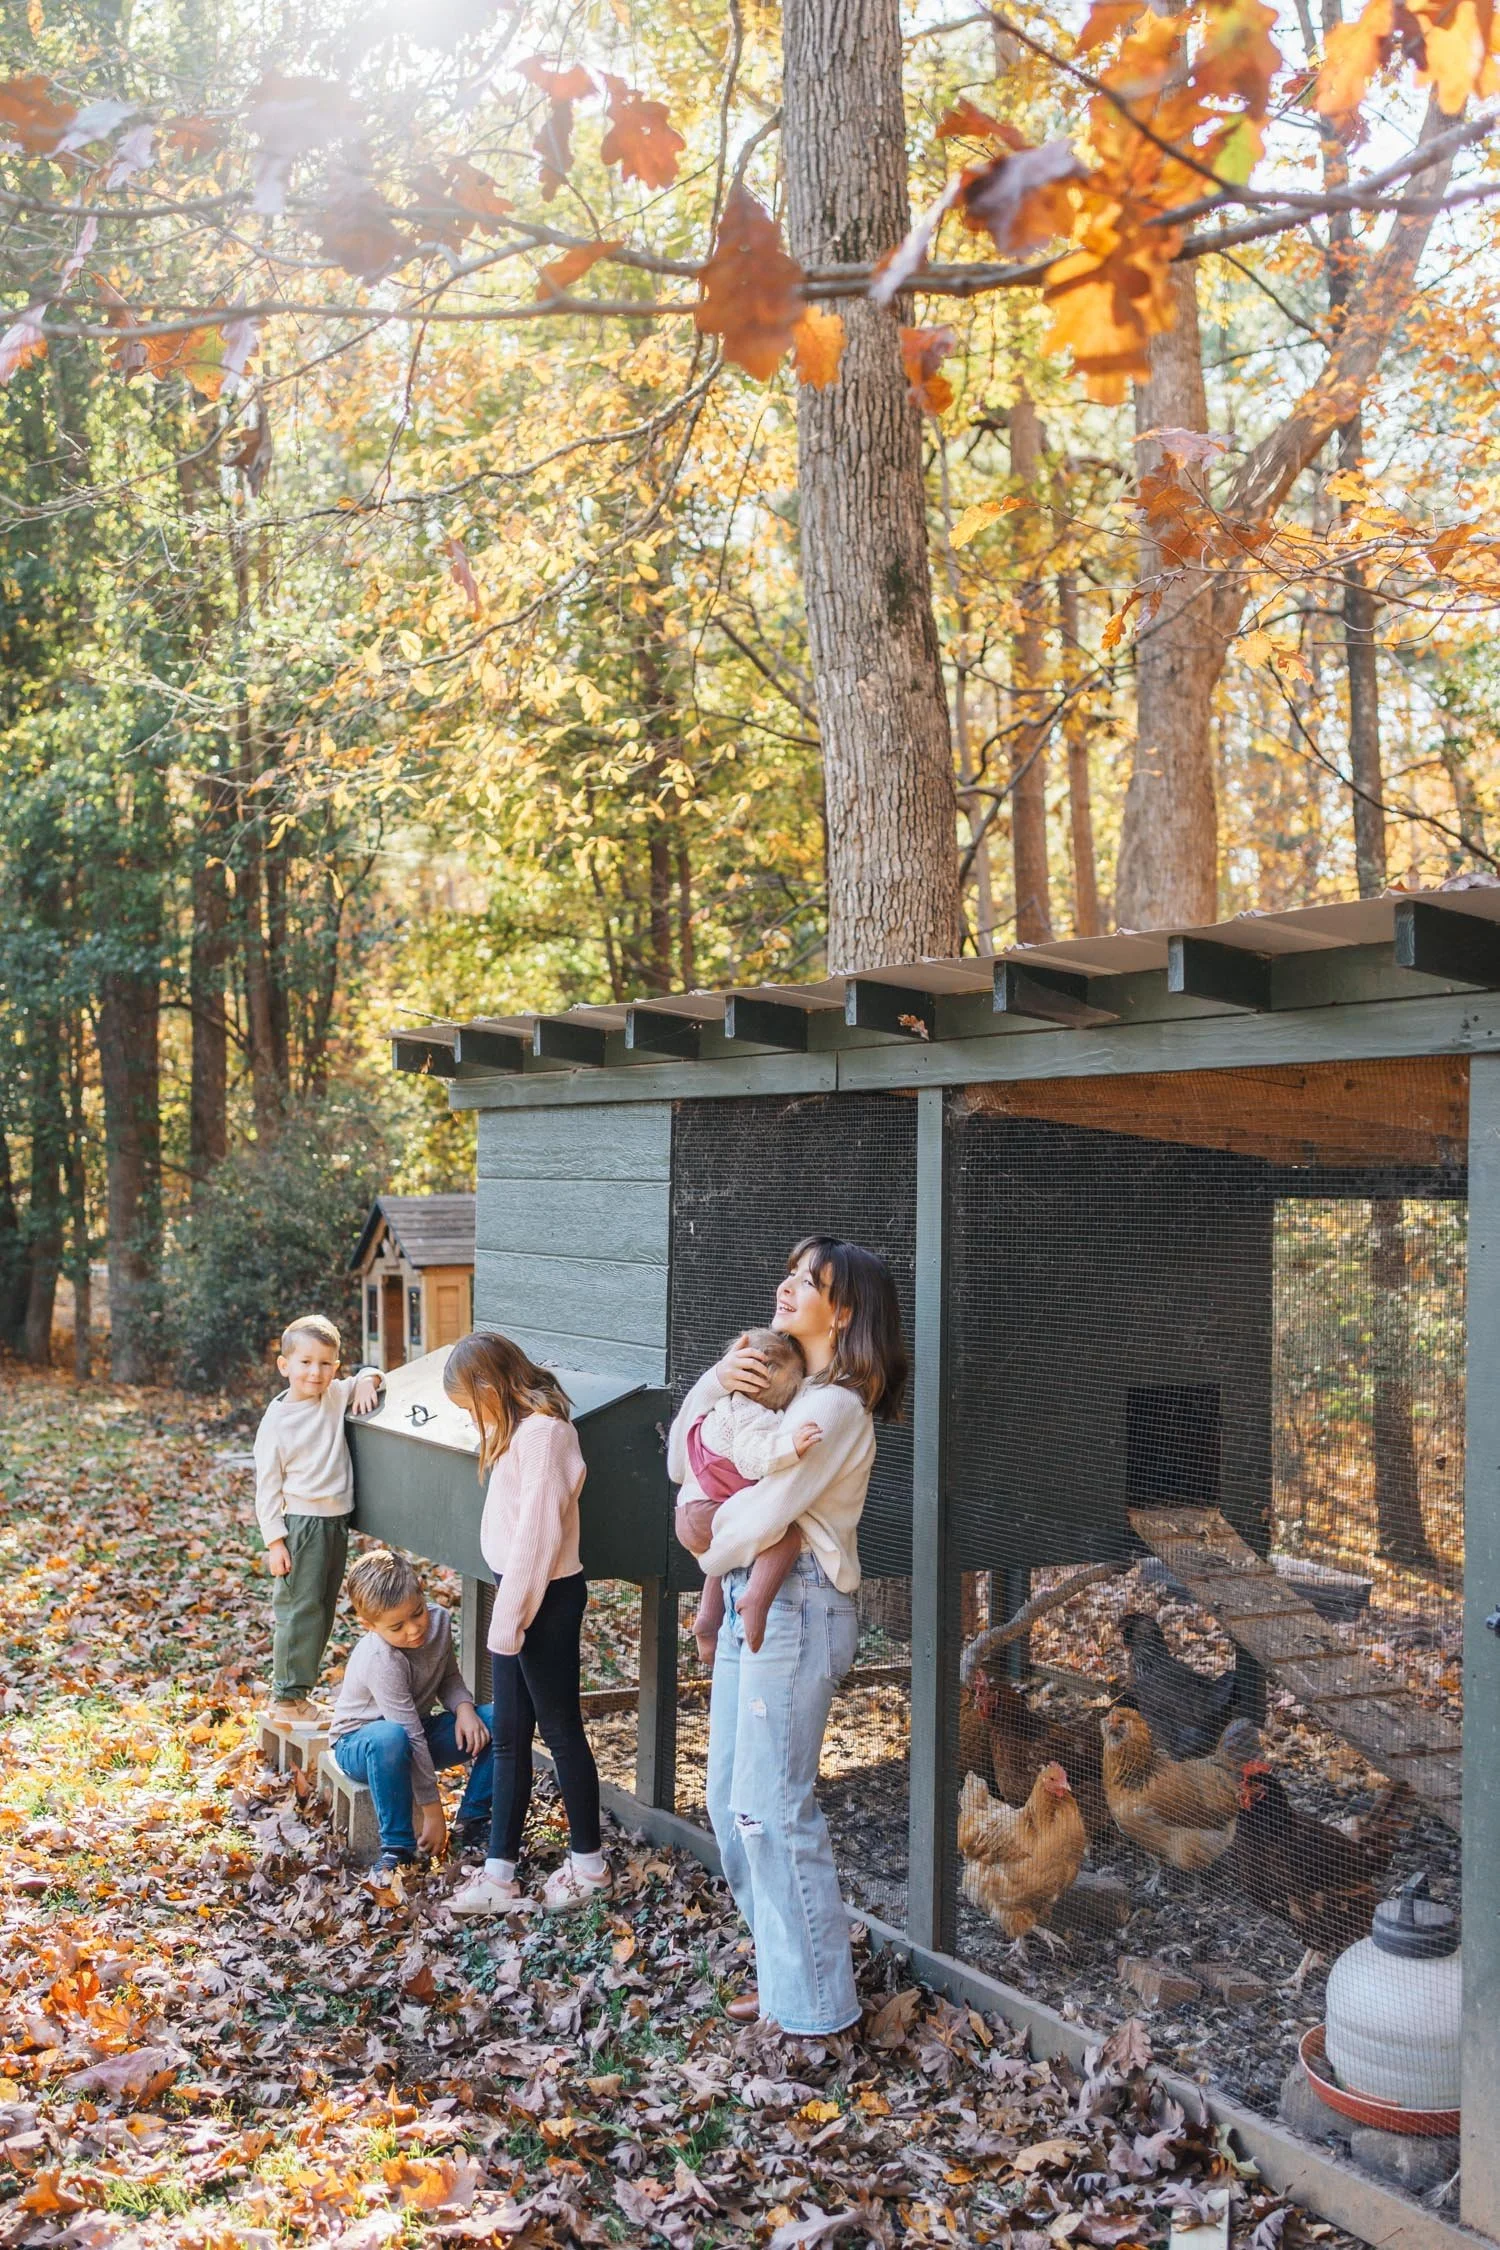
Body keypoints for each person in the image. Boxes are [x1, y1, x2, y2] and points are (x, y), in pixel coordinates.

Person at [671, 1236, 907, 2040]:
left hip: (799, 1610)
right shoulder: (781, 1383)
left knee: (775, 1809)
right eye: (791, 1273)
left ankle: (817, 2010)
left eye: (807, 1282)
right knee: (732, 1801)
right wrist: (718, 1374)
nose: (786, 1287)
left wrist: (700, 1538)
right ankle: (786, 1979)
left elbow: (761, 1515)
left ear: (841, 1313)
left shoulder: (831, 1407)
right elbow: (685, 1461)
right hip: (751, 1599)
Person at [440, 1331, 610, 1917]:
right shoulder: (519, 1431)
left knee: (560, 1732)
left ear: (491, 1385)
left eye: (470, 1404)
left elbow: (539, 1538)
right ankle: (499, 1875)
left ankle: (589, 1864)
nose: (472, 1418)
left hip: (544, 1599)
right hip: (518, 1597)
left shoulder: (545, 1434)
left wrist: (508, 1624)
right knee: (510, 1739)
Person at [328, 1550, 495, 1872]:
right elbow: (407, 1732)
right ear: (370, 1625)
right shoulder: (381, 1658)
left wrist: (464, 1709)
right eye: (396, 1627)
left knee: (502, 1719)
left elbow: (447, 1677)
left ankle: (473, 1824)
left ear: (421, 1588)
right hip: (361, 1745)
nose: (414, 1630)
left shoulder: (439, 1622)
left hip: (414, 1729)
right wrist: (433, 1812)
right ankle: (397, 1847)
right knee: (391, 1737)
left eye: (417, 1613)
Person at [253, 1314, 382, 1724]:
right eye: (306, 1362)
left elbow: (375, 1373)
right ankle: (286, 1698)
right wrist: (276, 1542)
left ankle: (299, 1693)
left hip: (334, 1522)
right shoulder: (277, 1422)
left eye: (326, 1364)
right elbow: (267, 1487)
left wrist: (365, 1381)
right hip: (303, 1525)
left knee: (323, 1608)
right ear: (284, 1365)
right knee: (300, 1609)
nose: (316, 1372)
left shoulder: (333, 1395)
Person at [686, 1327, 823, 1665]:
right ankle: (756, 1601)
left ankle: (706, 1620)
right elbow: (751, 1458)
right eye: (792, 1389)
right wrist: (789, 1446)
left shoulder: (724, 1403)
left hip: (695, 1507)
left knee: (728, 1550)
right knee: (786, 1538)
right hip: (708, 1508)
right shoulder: (754, 1417)